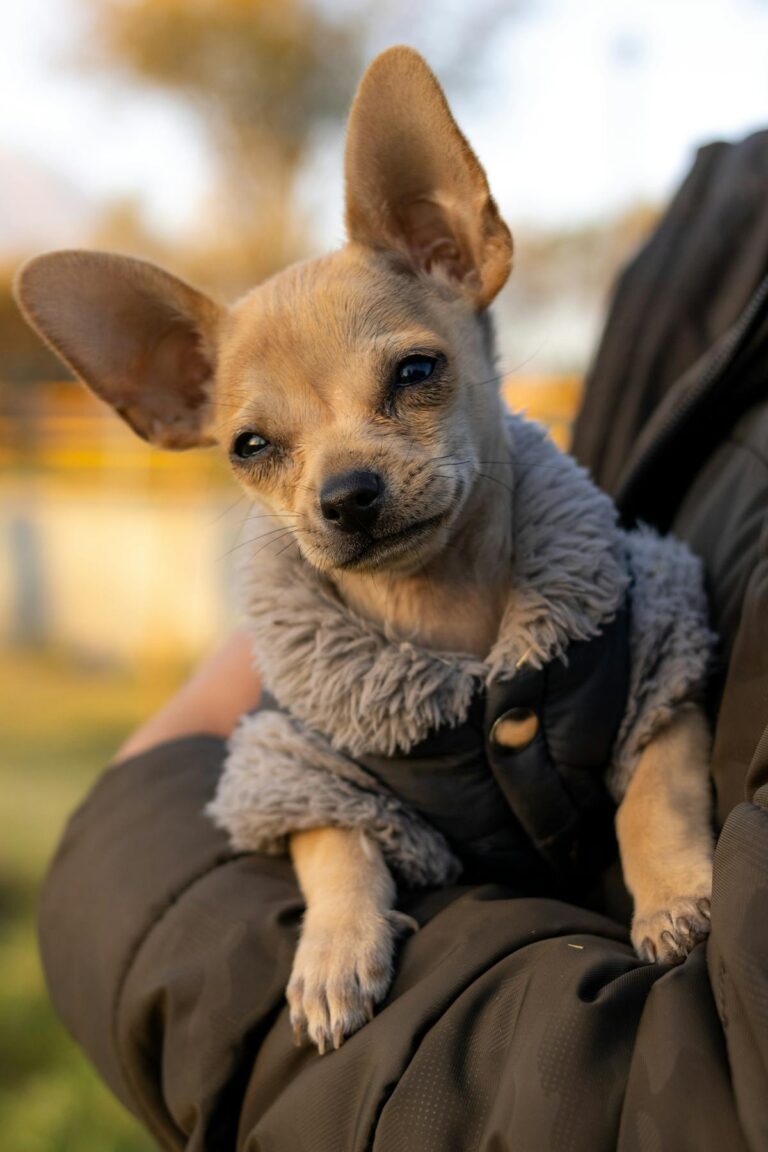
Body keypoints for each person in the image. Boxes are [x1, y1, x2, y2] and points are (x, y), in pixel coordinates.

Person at [39, 131, 768, 1151]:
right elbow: (311, 788)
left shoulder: (620, 604)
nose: (343, 479)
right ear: (169, 402)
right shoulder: (320, 701)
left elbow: (664, 687)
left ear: (456, 254)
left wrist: (665, 854)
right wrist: (341, 895)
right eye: (262, 445)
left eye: (409, 378)